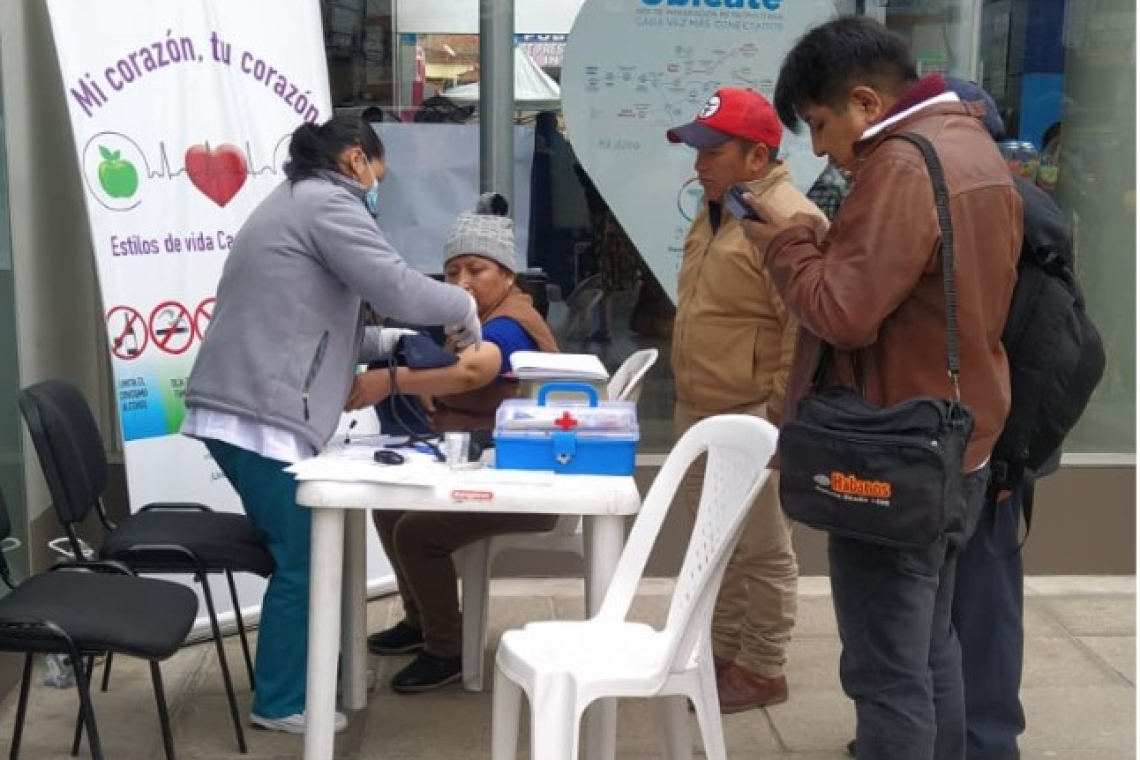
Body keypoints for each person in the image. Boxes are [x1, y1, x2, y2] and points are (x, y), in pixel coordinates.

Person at [741, 18, 1022, 760]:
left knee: (887, 668)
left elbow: (842, 312)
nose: (819, 148)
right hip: (955, 438)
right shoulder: (972, 144)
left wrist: (787, 243)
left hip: (893, 451)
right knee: (930, 648)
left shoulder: (901, 163)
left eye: (819, 123)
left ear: (866, 101)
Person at [183, 116, 481, 735]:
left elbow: (311, 321)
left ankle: (319, 673)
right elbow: (396, 286)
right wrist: (462, 304)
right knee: (305, 557)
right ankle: (282, 701)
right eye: (378, 173)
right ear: (354, 159)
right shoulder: (327, 203)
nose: (377, 187)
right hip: (257, 415)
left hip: (250, 405)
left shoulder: (297, 201)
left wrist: (391, 341)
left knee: (311, 549)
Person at [348, 196, 560, 694]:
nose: (461, 282)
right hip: (491, 467)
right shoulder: (474, 319)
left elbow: (473, 372)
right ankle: (421, 621)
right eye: (451, 272)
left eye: (476, 269)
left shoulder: (510, 325)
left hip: (533, 483)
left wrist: (389, 382)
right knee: (389, 509)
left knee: (417, 533)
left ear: (507, 274)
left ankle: (447, 649)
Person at [665, 86, 827, 713]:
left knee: (762, 550)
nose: (698, 163)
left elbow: (802, 330)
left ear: (757, 157)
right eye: (697, 149)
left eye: (713, 151)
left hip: (752, 415)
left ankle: (762, 667)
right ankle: (723, 653)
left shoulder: (787, 219)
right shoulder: (720, 209)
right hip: (702, 409)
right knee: (716, 542)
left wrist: (777, 418)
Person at [944, 76, 1063, 760]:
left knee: (983, 598)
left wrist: (1008, 458)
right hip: (984, 434)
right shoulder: (1001, 198)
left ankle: (986, 741)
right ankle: (941, 728)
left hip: (993, 441)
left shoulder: (1004, 208)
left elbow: (1028, 344)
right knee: (953, 595)